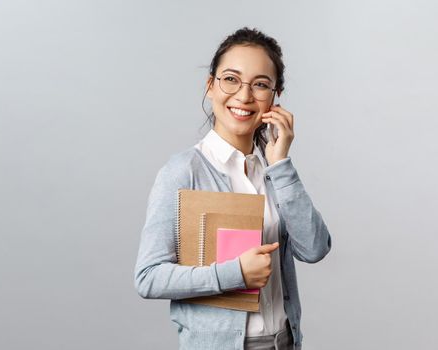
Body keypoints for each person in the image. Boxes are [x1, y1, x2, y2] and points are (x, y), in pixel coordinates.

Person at [134, 27, 332, 350]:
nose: (244, 96)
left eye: (260, 84)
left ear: (275, 96)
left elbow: (314, 248)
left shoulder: (272, 171)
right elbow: (148, 277)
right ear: (210, 86)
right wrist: (235, 274)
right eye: (231, 79)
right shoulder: (183, 172)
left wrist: (281, 164)